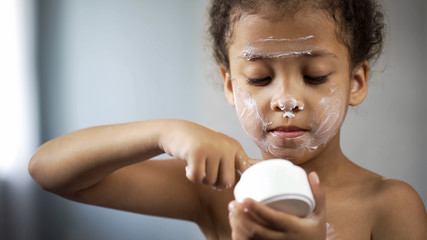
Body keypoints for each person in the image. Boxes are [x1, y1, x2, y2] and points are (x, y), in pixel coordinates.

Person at [29, 0, 427, 239]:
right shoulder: (216, 189)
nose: (286, 100)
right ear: (232, 85)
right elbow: (47, 169)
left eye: (315, 76)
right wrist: (166, 131)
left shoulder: (390, 206)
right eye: (259, 78)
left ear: (356, 81)